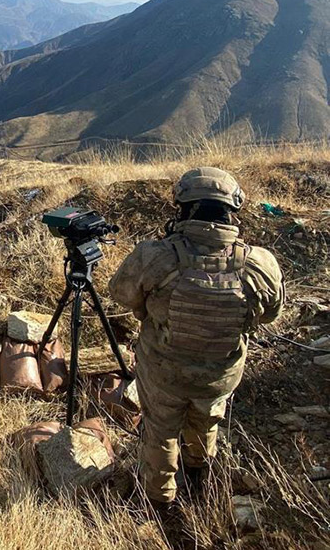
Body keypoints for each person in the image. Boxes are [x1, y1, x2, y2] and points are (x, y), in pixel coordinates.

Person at [108, 167, 284, 508]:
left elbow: (121, 293)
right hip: (219, 376)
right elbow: (270, 315)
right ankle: (199, 474)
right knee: (207, 422)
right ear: (232, 210)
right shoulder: (260, 263)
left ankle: (161, 503)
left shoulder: (153, 256)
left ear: (183, 207)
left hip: (164, 373)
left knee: (160, 433)